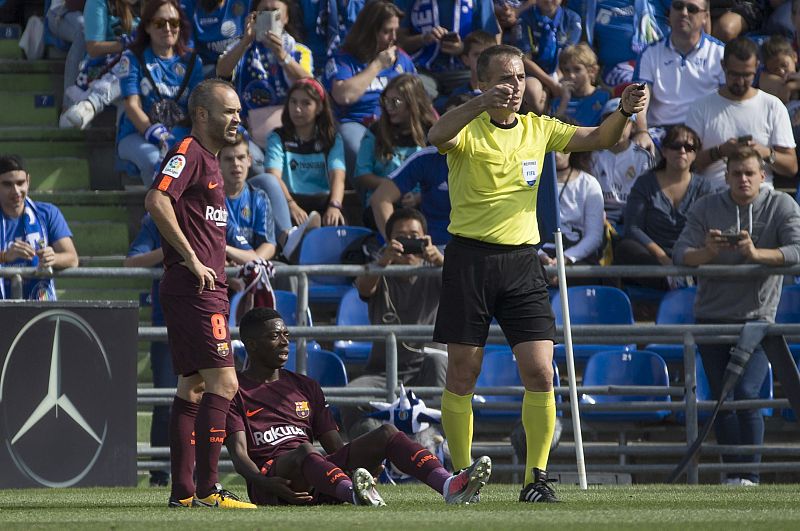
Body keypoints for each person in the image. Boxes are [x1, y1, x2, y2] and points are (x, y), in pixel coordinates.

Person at [426, 43, 648, 503]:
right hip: (470, 259)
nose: (513, 86)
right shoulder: (467, 127)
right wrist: (477, 105)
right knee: (463, 373)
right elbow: (435, 134)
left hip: (523, 261)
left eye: (519, 77)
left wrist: (625, 111)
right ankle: (462, 477)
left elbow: (599, 138)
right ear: (482, 83)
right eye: (503, 78)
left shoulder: (538, 128)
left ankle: (536, 479)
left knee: (542, 372)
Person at [225, 307, 493, 506]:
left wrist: (357, 465)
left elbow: (334, 446)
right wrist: (263, 483)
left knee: (386, 433)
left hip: (319, 476)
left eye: (286, 334)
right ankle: (355, 493)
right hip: (274, 483)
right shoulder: (234, 390)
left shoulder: (305, 385)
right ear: (252, 344)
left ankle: (448, 485)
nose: (285, 341)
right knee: (305, 450)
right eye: (275, 336)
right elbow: (239, 455)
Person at [144, 78, 256, 509]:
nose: (237, 118)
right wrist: (191, 257)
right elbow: (157, 200)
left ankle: (184, 493)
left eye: (239, 111)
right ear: (203, 114)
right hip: (194, 289)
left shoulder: (210, 160)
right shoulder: (188, 152)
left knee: (192, 387)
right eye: (229, 111)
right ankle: (209, 489)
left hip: (203, 288)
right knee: (224, 383)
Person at [672, 147, 800, 485]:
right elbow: (681, 254)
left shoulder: (782, 205)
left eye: (749, 173)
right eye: (736, 174)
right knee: (722, 399)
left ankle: (750, 476)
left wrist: (757, 254)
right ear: (726, 177)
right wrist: (708, 251)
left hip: (757, 320)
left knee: (746, 394)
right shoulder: (706, 207)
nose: (743, 179)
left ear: (763, 176)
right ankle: (734, 476)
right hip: (711, 316)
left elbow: (798, 250)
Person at [124, 211, 257, 487]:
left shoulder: (216, 211)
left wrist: (217, 251)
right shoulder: (161, 216)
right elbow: (132, 261)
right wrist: (180, 248)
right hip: (174, 316)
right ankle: (164, 477)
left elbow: (252, 256)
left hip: (208, 307)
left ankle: (191, 484)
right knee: (174, 398)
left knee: (200, 389)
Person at [340, 208, 446, 439]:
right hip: (383, 372)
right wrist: (383, 261)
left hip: (427, 369)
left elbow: (466, 286)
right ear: (389, 242)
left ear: (426, 239)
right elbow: (364, 287)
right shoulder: (380, 272)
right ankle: (372, 449)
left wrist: (440, 260)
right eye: (401, 238)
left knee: (440, 363)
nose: (408, 243)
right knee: (349, 397)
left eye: (414, 237)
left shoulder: (438, 271)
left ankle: (437, 445)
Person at [686, 37, 798, 190]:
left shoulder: (773, 106)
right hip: (715, 193)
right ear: (723, 66)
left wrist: (765, 153)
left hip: (761, 194)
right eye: (734, 74)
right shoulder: (700, 106)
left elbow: (791, 167)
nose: (740, 81)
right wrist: (720, 152)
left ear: (757, 67)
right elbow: (687, 164)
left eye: (747, 75)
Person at [323, 1, 417, 180]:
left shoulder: (402, 59)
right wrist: (377, 65)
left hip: (395, 124)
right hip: (357, 124)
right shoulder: (344, 60)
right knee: (358, 148)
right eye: (387, 31)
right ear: (369, 30)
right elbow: (344, 96)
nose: (393, 37)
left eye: (396, 31)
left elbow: (419, 98)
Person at [615, 124, 714, 289]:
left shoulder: (705, 187)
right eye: (676, 146)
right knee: (624, 248)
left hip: (691, 255)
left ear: (695, 154)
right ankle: (673, 281)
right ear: (665, 151)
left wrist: (688, 256)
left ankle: (678, 279)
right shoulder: (645, 183)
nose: (682, 151)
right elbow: (633, 228)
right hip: (653, 256)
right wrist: (663, 257)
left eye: (689, 147)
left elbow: (707, 228)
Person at [117, 0, 204, 183]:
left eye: (174, 23)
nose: (168, 28)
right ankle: (157, 202)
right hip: (138, 134)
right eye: (159, 23)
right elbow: (132, 105)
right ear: (147, 26)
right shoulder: (132, 58)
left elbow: (197, 107)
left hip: (180, 134)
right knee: (155, 161)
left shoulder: (192, 61)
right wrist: (155, 134)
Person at [248, 79, 345, 240]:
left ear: (319, 108)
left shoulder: (332, 138)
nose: (297, 109)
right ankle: (290, 240)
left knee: (338, 225)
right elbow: (273, 176)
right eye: (293, 102)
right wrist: (291, 204)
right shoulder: (277, 137)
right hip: (290, 201)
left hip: (323, 202)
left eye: (306, 103)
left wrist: (334, 206)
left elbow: (338, 176)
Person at [216, 0, 314, 151]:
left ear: (286, 17)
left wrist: (282, 56)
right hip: (247, 135)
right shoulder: (240, 47)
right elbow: (222, 72)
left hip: (289, 135)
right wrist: (245, 41)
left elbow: (309, 86)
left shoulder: (299, 51)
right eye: (265, 11)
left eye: (275, 11)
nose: (270, 15)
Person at [632, 0, 725, 154]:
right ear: (670, 12)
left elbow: (729, 101)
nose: (684, 12)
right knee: (638, 153)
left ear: (705, 17)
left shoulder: (720, 53)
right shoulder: (650, 53)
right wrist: (642, 131)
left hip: (704, 132)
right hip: (661, 132)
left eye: (692, 9)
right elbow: (639, 99)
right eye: (678, 6)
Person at [355, 74, 436, 226]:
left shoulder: (432, 133)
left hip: (420, 203)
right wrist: (394, 189)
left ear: (413, 102)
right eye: (386, 101)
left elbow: (441, 177)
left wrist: (418, 197)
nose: (389, 107)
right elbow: (362, 174)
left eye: (396, 102)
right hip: (384, 203)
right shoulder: (376, 131)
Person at [0, 155, 79, 300]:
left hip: (40, 305)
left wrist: (54, 258)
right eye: (7, 184)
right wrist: (5, 256)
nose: (16, 191)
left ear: (28, 181)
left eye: (20, 183)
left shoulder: (48, 213)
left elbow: (72, 259)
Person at [59, 0, 140, 130]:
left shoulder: (153, 5)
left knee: (134, 67)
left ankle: (91, 105)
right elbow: (93, 48)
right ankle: (84, 106)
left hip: (145, 68)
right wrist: (126, 44)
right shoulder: (99, 2)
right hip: (104, 67)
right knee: (129, 70)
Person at [395, 0, 501, 99]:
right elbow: (397, 41)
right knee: (410, 93)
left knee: (478, 93)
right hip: (422, 70)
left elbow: (491, 43)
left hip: (465, 71)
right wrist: (423, 39)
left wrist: (463, 49)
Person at [566, 0, 670, 87]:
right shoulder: (582, 2)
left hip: (659, 64)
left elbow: (679, 8)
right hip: (614, 73)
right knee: (633, 91)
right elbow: (565, 22)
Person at [589, 97, 655, 227]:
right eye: (611, 121)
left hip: (634, 214)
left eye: (623, 122)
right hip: (600, 213)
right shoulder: (593, 155)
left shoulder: (643, 157)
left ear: (633, 127)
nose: (616, 127)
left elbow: (649, 194)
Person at [370, 146, 451, 246]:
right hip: (432, 247)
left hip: (468, 246)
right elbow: (381, 198)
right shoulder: (428, 157)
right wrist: (394, 244)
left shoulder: (471, 160)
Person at [537, 148, 604, 268]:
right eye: (552, 148)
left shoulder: (589, 184)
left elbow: (594, 236)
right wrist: (541, 255)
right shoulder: (534, 183)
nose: (556, 154)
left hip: (575, 255)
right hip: (541, 253)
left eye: (561, 148)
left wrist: (566, 258)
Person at [219, 134, 278, 262]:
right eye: (229, 159)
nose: (236, 164)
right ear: (218, 163)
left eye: (241, 157)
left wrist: (249, 265)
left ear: (249, 160)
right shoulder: (210, 199)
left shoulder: (259, 197)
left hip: (253, 263)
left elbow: (269, 244)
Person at [516, 0, 581, 105]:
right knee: (532, 91)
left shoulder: (572, 19)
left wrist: (554, 83)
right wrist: (551, 84)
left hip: (561, 72)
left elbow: (567, 57)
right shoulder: (525, 17)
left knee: (569, 88)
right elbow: (525, 59)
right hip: (534, 72)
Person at [181, 0, 250, 75]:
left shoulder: (247, 2)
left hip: (241, 63)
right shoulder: (187, 5)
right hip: (207, 67)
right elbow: (187, 51)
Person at [550, 43, 611, 127]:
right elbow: (552, 129)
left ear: (592, 71)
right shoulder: (558, 102)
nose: (571, 75)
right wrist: (564, 101)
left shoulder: (605, 97)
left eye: (577, 69)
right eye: (567, 70)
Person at [47, 0, 87, 105]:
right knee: (84, 31)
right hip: (61, 12)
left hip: (96, 12)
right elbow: (72, 3)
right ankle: (69, 105)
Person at [758, 35, 800, 105]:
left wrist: (793, 85)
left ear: (794, 57)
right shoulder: (766, 79)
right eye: (775, 69)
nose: (781, 71)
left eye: (785, 65)